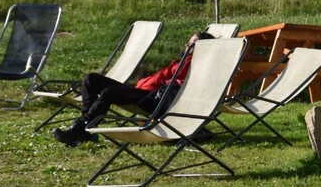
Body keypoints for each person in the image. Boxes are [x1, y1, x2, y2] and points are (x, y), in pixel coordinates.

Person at [52, 32, 215, 147]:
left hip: (150, 99)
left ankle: (83, 128)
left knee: (109, 93)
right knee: (90, 79)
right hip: (142, 91)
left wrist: (190, 56)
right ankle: (86, 128)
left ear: (201, 48)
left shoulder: (195, 63)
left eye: (191, 43)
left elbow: (178, 84)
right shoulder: (184, 60)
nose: (186, 44)